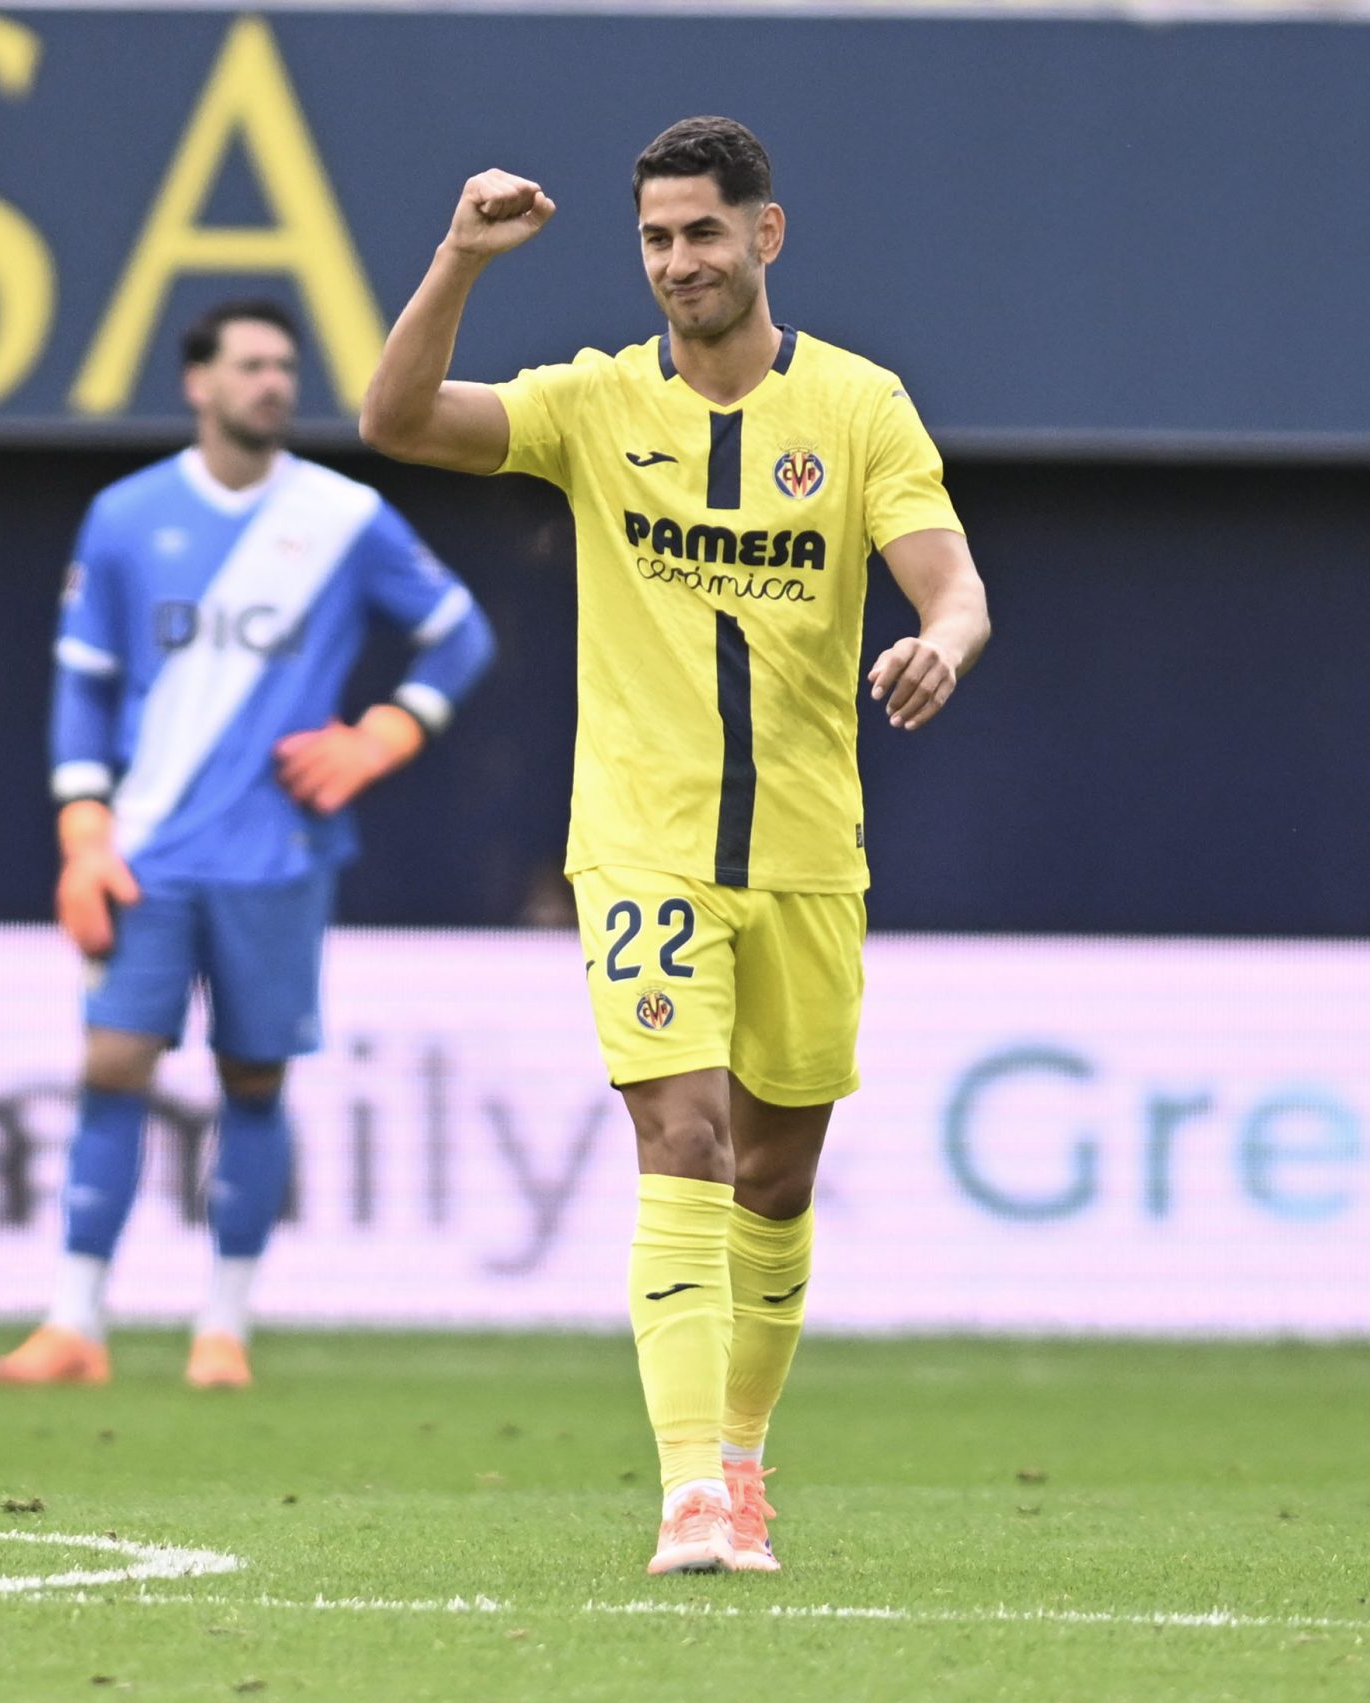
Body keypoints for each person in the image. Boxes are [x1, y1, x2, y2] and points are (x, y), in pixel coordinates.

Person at [359, 117, 990, 1577]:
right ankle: (691, 1487)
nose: (677, 261)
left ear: (766, 235)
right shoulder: (592, 403)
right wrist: (459, 257)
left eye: (702, 232)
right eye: (654, 238)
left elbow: (952, 585)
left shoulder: (858, 406)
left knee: (774, 1176)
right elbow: (396, 420)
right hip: (640, 844)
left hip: (809, 852)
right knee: (683, 1138)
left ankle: (745, 1458)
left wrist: (942, 646)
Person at [0, 299, 496, 1392]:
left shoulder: (343, 515)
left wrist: (384, 733)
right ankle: (75, 1320)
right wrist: (82, 826)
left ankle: (224, 1325)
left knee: (253, 1077)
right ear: (198, 383)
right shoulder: (127, 515)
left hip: (278, 851)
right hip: (148, 848)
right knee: (112, 1063)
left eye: (283, 367)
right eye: (251, 365)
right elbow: (83, 683)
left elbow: (460, 634)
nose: (273, 383)